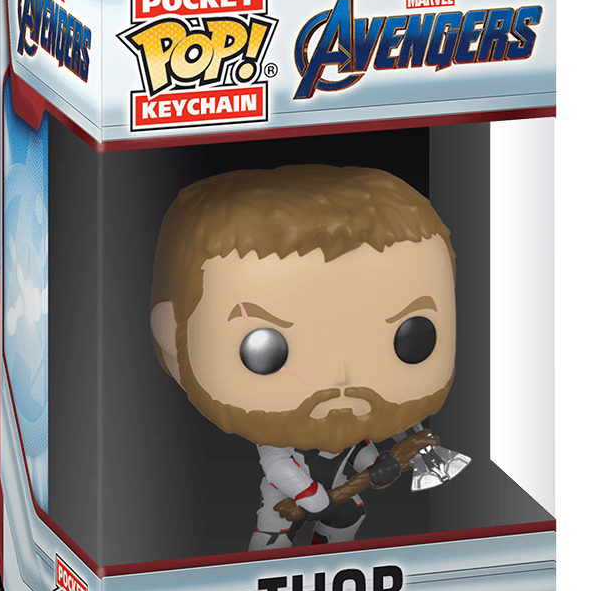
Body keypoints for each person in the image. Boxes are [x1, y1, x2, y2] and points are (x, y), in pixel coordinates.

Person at [150, 164, 457, 549]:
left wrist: (382, 467)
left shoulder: (349, 432)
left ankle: (330, 555)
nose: (342, 377)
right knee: (273, 539)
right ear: (173, 339)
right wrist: (312, 497)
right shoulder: (279, 444)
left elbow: (357, 454)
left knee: (349, 521)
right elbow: (279, 467)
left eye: (412, 339)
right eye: (266, 351)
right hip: (286, 506)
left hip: (338, 500)